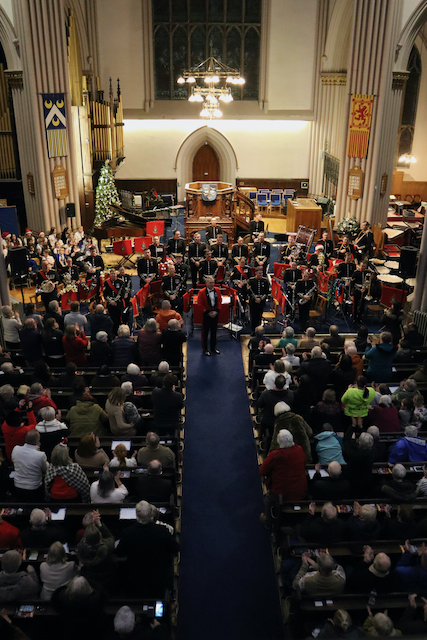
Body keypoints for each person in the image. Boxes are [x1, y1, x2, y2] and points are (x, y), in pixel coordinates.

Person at [115, 500, 179, 597]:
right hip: (158, 577)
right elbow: (175, 548)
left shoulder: (128, 532)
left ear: (137, 515)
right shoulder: (162, 531)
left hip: (135, 577)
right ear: (151, 515)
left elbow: (119, 552)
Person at [259, 429, 307, 528]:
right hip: (300, 489)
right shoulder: (299, 450)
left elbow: (262, 471)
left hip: (281, 492)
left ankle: (268, 521)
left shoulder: (275, 455)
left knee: (268, 499)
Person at [11, 429, 48, 501]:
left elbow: (14, 462)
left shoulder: (15, 449)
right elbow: (46, 469)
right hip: (34, 488)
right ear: (37, 442)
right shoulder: (40, 455)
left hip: (18, 486)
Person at [197, 275, 222, 356]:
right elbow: (200, 304)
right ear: (206, 283)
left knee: (214, 332)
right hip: (206, 315)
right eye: (210, 283)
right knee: (205, 332)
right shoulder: (201, 292)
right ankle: (205, 349)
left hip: (215, 314)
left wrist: (216, 311)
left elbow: (219, 301)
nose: (212, 284)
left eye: (213, 283)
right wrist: (208, 312)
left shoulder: (217, 290)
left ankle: (213, 347)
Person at [248, 267, 270, 333]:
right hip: (253, 302)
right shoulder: (251, 281)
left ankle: (259, 331)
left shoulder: (265, 281)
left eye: (261, 273)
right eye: (259, 273)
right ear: (256, 273)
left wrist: (260, 299)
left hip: (261, 302)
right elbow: (249, 292)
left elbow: (266, 292)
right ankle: (253, 331)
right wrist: (255, 298)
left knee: (259, 316)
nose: (261, 275)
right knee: (253, 317)